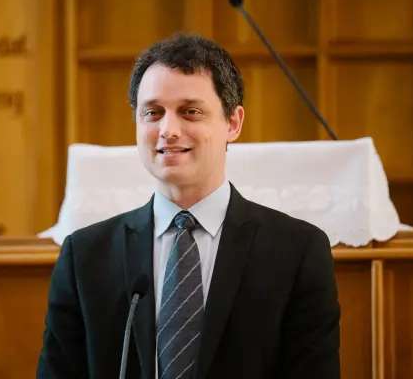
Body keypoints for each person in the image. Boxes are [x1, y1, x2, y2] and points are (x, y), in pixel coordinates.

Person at [36, 33, 341, 379]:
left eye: (190, 112)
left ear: (233, 123)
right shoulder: (84, 256)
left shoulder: (297, 252)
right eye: (152, 113)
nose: (168, 130)